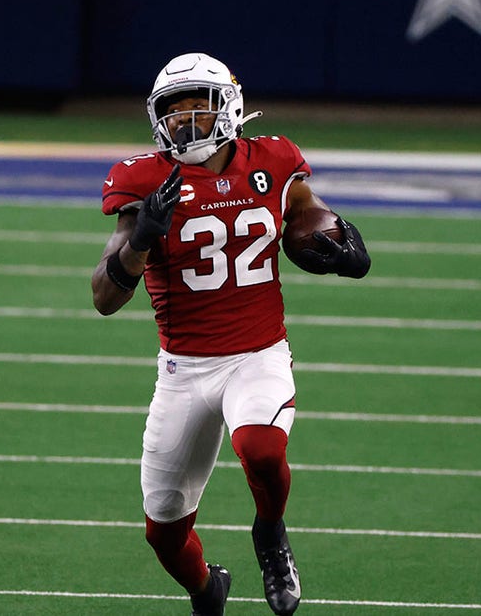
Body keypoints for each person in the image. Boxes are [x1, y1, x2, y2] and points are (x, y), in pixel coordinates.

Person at [92, 53, 370, 615]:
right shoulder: (143, 179)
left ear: (229, 107)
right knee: (164, 533)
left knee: (261, 448)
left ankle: (269, 531)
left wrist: (339, 241)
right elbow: (104, 296)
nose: (184, 120)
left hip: (258, 353)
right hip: (184, 369)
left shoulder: (274, 160)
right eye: (173, 110)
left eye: (198, 105)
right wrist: (141, 237)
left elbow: (306, 215)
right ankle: (206, 589)